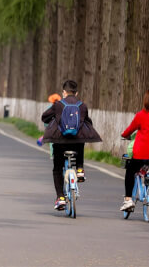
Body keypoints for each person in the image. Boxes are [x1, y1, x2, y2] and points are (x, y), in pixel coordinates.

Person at [41, 79, 102, 211]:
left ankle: (60, 198)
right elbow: (88, 122)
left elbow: (44, 117)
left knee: (57, 168)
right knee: (81, 142)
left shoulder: (58, 105)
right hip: (76, 143)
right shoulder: (82, 106)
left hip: (60, 142)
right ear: (76, 92)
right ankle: (80, 170)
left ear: (64, 92)